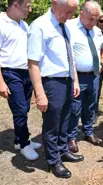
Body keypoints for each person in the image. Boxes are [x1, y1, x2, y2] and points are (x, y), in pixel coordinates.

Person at [28, 0, 84, 178]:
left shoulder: (64, 25)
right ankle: (53, 161)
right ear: (54, 3)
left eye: (71, 13)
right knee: (52, 124)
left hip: (67, 80)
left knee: (65, 120)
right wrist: (40, 94)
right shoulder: (40, 26)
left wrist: (74, 80)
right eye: (67, 12)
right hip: (52, 82)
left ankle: (62, 150)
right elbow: (33, 63)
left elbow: (70, 57)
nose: (68, 17)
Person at [0, 0, 41, 161]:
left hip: (26, 72)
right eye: (27, 6)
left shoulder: (24, 25)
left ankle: (19, 140)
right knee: (20, 110)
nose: (30, 10)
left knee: (24, 109)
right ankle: (25, 144)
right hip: (10, 73)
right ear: (16, 4)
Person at [67, 0, 103, 153]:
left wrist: (101, 62)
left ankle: (89, 132)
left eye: (96, 19)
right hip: (78, 77)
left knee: (90, 106)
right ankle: (71, 137)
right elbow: (69, 56)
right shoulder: (70, 27)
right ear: (82, 13)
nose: (94, 22)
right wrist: (75, 79)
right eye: (91, 19)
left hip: (94, 76)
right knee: (75, 107)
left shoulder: (96, 30)